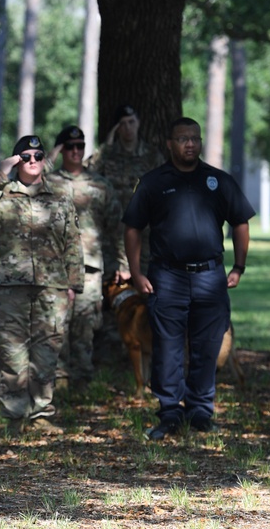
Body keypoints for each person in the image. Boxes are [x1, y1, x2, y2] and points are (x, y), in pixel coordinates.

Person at [123, 117, 254, 441]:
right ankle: (169, 412)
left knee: (207, 346)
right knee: (167, 346)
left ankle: (200, 411)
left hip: (210, 276)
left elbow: (240, 222)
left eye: (194, 138)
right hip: (167, 277)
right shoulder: (153, 182)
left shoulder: (218, 180)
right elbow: (132, 228)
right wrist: (137, 273)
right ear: (170, 143)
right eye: (182, 138)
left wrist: (238, 266)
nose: (190, 144)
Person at [0, 135, 83, 432]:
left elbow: (73, 244)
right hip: (8, 286)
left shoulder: (60, 196)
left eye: (38, 155)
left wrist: (73, 285)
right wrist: (2, 172)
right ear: (16, 161)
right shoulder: (3, 193)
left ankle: (41, 415)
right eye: (25, 157)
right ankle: (14, 417)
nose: (33, 161)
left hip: (52, 287)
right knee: (11, 353)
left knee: (46, 352)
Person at [85, 104, 164, 367]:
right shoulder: (107, 156)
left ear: (139, 124)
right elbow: (88, 172)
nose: (128, 128)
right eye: (123, 124)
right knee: (111, 294)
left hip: (146, 240)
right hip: (110, 239)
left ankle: (149, 353)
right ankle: (111, 354)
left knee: (148, 292)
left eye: (132, 122)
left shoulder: (152, 156)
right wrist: (106, 145)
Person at [49, 125, 129, 386]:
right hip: (54, 266)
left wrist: (122, 262)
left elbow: (117, 226)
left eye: (80, 146)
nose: (75, 151)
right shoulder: (48, 182)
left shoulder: (99, 184)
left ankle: (82, 377)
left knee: (85, 324)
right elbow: (23, 180)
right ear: (61, 149)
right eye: (69, 147)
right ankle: (58, 379)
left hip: (89, 266)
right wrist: (51, 155)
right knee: (55, 324)